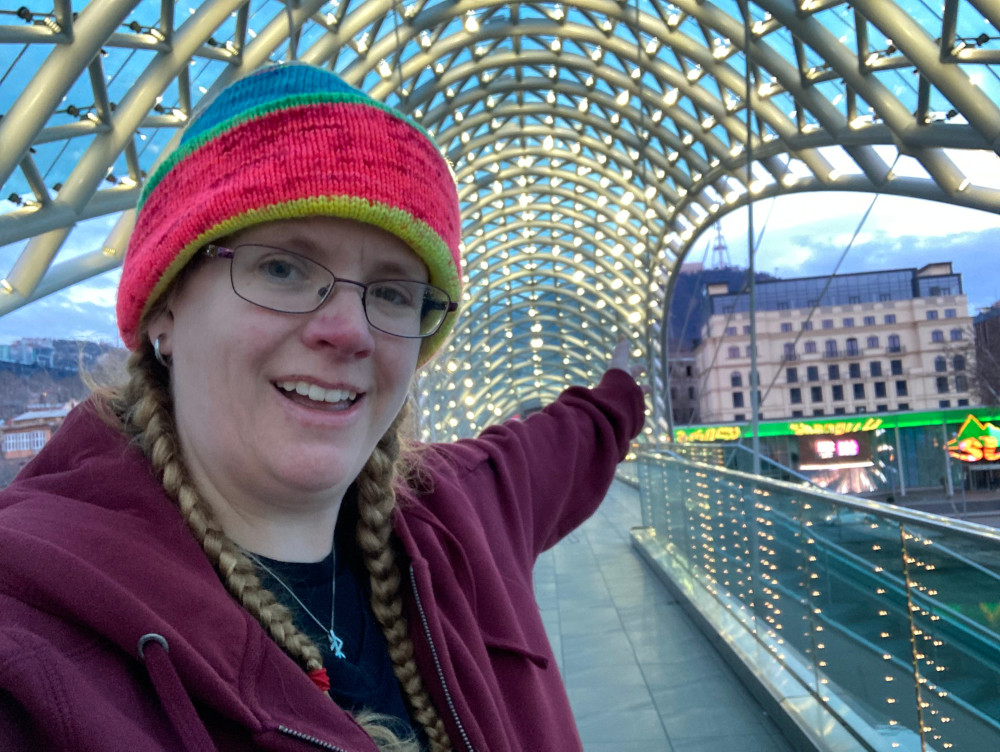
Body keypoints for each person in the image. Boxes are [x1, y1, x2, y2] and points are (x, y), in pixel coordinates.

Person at [0, 63, 644, 752]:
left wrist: (620, 389)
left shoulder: (461, 518)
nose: (351, 331)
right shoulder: (36, 628)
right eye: (282, 268)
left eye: (392, 293)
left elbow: (563, 442)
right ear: (164, 308)